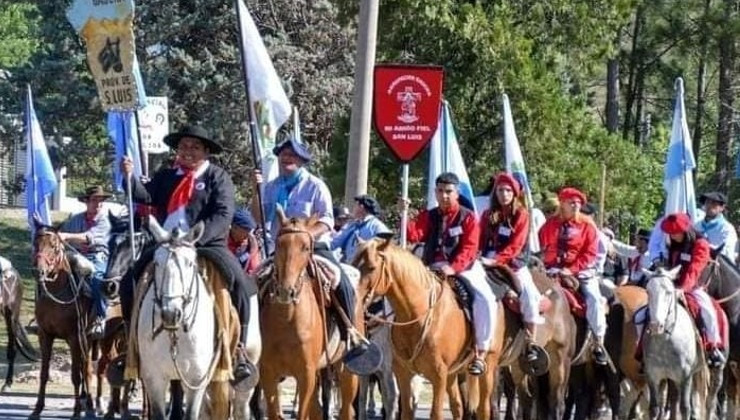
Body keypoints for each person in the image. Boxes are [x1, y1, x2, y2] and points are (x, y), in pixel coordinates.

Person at [121, 125, 257, 383]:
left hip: (204, 243)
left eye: (195, 147)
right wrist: (129, 178)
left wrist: (197, 239)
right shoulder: (166, 175)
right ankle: (131, 345)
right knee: (129, 281)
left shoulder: (218, 177)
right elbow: (145, 196)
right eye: (183, 146)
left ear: (206, 151)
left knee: (240, 283)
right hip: (165, 242)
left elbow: (223, 213)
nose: (188, 152)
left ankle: (239, 350)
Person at [252, 135, 366, 359]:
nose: (287, 159)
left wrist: (304, 237)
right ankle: (248, 341)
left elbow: (327, 220)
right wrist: (255, 191)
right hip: (281, 251)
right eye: (284, 155)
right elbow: (258, 217)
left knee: (340, 280)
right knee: (253, 282)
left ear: (302, 160)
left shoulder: (316, 186)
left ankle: (351, 333)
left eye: (292, 155)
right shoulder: (271, 186)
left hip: (314, 247)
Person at [400, 172, 497, 376]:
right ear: (435, 192)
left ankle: (481, 349)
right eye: (441, 191)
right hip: (430, 267)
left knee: (485, 299)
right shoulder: (430, 215)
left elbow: (470, 249)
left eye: (449, 192)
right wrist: (404, 215)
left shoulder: (468, 216)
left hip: (464, 267)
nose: (444, 196)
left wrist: (453, 268)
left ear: (456, 192)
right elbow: (413, 233)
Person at [478, 172, 543, 363]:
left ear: (514, 193)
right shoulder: (487, 215)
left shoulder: (522, 215)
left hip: (514, 265)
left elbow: (515, 246)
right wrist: (479, 256)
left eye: (507, 190)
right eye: (500, 190)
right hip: (484, 261)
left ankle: (531, 342)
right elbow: (480, 238)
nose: (503, 194)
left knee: (530, 297)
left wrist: (496, 260)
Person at [539, 187, 607, 365]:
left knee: (594, 299)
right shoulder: (549, 225)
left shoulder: (587, 226)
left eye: (579, 202)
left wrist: (571, 269)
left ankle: (598, 342)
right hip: (551, 270)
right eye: (572, 202)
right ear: (562, 204)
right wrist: (547, 264)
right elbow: (543, 248)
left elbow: (590, 253)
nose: (576, 205)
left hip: (580, 272)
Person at [660, 213, 726, 367]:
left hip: (694, 287)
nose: (672, 235)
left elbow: (695, 270)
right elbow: (671, 266)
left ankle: (713, 346)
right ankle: (641, 349)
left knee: (708, 309)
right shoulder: (673, 245)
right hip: (672, 285)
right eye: (670, 232)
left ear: (685, 230)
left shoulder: (701, 244)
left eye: (675, 232)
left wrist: (683, 288)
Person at [58, 185, 114, 340]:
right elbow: (60, 234)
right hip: (74, 256)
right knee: (52, 274)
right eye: (94, 200)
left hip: (97, 256)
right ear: (86, 202)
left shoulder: (105, 221)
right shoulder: (75, 219)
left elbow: (89, 237)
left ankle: (100, 317)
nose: (98, 204)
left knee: (97, 279)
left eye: (101, 201)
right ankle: (45, 315)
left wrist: (66, 236)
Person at [331, 195, 390, 263]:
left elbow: (386, 245)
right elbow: (335, 242)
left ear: (361, 207)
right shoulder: (352, 225)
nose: (353, 209)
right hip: (349, 264)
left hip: (366, 267)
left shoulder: (376, 226)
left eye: (355, 206)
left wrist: (367, 245)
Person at [695, 192, 738, 260]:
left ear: (722, 208)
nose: (709, 206)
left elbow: (727, 256)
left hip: (716, 267)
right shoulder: (697, 226)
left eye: (714, 204)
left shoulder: (727, 229)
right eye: (707, 202)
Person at [228, 208, 262, 275]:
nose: (248, 234)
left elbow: (254, 271)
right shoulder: (223, 243)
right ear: (234, 228)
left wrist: (254, 250)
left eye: (249, 230)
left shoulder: (249, 245)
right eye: (246, 230)